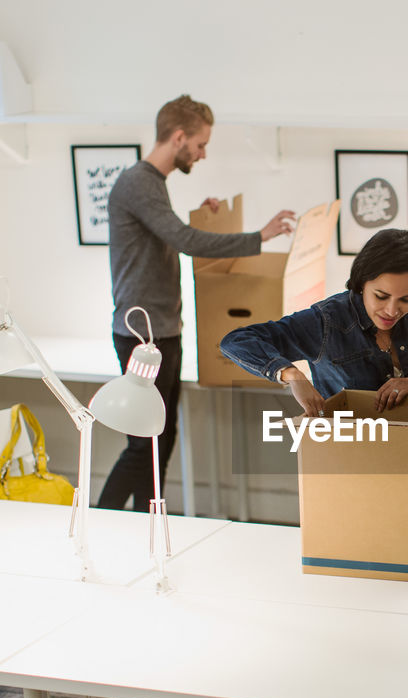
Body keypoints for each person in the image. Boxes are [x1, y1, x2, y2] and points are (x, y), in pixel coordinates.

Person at [219, 228, 408, 698]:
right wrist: (291, 373)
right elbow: (238, 340)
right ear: (360, 285)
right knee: (357, 608)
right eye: (381, 298)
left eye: (406, 298)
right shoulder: (326, 319)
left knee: (403, 602)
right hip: (349, 476)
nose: (394, 310)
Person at [99, 94, 295, 512]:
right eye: (201, 145)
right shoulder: (138, 183)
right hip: (143, 338)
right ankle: (103, 521)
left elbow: (168, 235)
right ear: (179, 136)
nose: (203, 154)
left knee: (159, 443)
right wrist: (259, 236)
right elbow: (185, 242)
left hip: (162, 332)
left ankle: (145, 524)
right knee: (143, 445)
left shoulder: (151, 185)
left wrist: (208, 218)